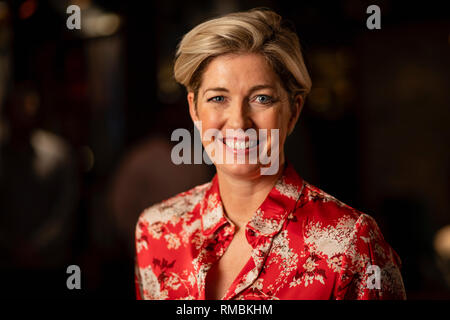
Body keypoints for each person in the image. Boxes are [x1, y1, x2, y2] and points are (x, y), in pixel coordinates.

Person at [134, 8, 406, 300]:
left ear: (293, 111)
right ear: (194, 109)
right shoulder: (157, 229)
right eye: (218, 98)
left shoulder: (352, 242)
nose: (239, 121)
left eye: (261, 98)